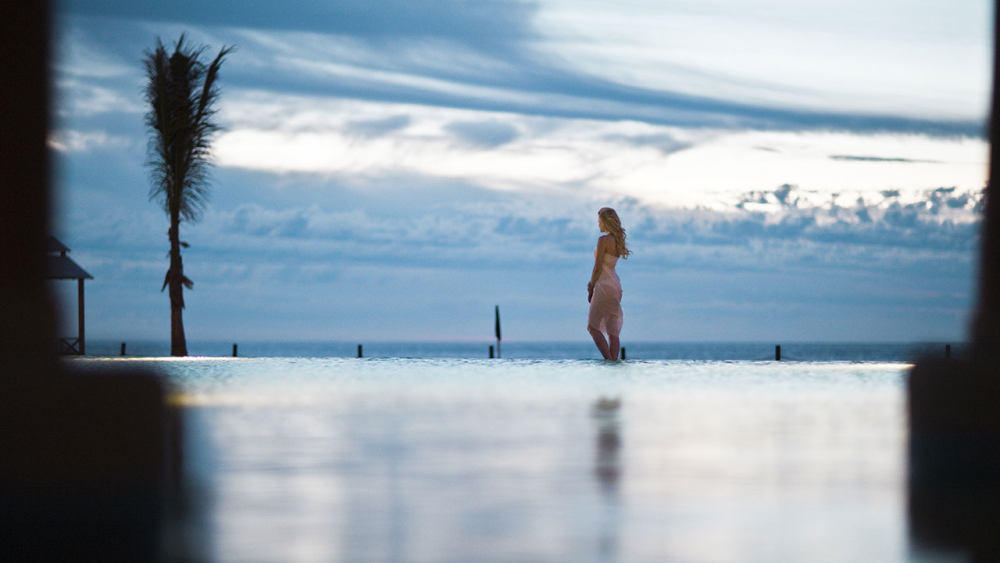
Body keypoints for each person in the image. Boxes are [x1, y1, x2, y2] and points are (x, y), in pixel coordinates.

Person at [587, 207, 630, 360]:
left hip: (603, 285)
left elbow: (598, 266)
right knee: (613, 331)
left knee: (592, 327)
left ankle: (609, 360)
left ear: (605, 222)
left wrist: (591, 286)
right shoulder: (618, 240)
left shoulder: (603, 240)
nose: (598, 225)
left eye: (599, 222)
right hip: (615, 286)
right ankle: (614, 364)